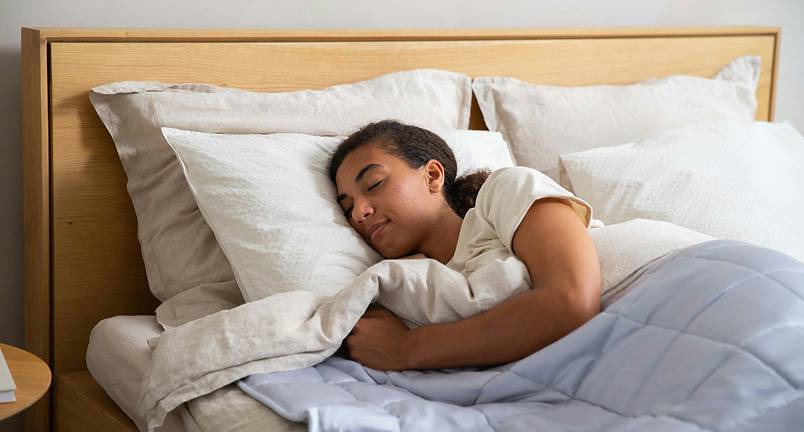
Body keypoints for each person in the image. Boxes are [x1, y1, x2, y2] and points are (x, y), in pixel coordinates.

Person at [328, 119, 601, 371]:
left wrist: (406, 348)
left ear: (432, 175)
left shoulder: (505, 190)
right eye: (348, 207)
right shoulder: (402, 288)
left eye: (374, 183)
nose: (358, 213)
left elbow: (571, 299)